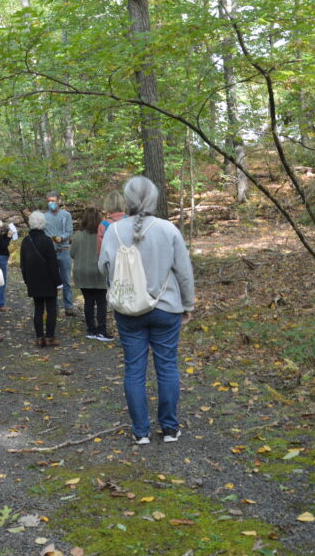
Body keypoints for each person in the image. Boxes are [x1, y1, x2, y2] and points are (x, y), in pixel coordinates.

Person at [98, 176, 195, 445]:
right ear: (154, 199)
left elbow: (103, 268)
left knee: (134, 369)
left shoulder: (113, 231)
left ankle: (140, 432)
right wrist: (187, 304)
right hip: (167, 308)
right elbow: (184, 273)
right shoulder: (168, 229)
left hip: (129, 310)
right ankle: (170, 428)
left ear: (127, 201)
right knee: (166, 366)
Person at [20, 211, 62, 347]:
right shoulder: (47, 241)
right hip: (48, 280)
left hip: (33, 280)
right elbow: (53, 264)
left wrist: (27, 280)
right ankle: (50, 337)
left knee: (38, 309)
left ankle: (39, 338)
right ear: (43, 223)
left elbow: (23, 265)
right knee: (51, 309)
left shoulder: (26, 241)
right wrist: (58, 283)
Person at [72, 206, 112, 342]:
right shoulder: (103, 234)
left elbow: (72, 254)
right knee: (101, 302)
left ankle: (91, 329)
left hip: (82, 272)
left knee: (88, 301)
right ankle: (101, 330)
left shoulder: (77, 235)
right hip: (99, 271)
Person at [43, 191, 76, 316]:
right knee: (52, 280)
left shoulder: (66, 215)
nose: (51, 203)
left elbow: (69, 231)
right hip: (50, 253)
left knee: (66, 280)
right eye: (48, 201)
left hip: (64, 251)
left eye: (53, 200)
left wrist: (62, 237)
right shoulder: (45, 217)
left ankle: (68, 306)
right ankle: (54, 306)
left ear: (59, 201)